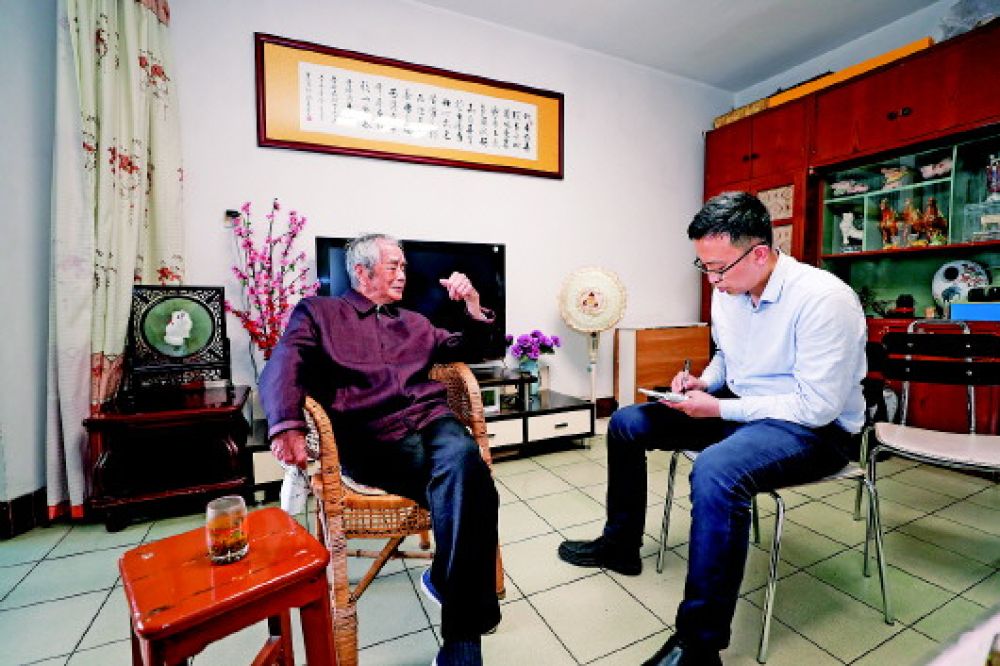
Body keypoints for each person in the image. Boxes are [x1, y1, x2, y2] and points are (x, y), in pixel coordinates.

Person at [558, 192, 867, 666]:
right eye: (704, 267)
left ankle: (699, 647)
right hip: (745, 410)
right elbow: (729, 357)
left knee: (717, 470)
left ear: (759, 253)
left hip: (816, 431)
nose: (713, 281)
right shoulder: (730, 292)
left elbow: (816, 406)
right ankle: (620, 545)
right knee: (626, 423)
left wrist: (718, 409)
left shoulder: (825, 299)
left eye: (719, 268)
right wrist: (704, 382)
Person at [260, 233, 501, 666]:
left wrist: (472, 304)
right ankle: (459, 603)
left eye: (404, 266)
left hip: (433, 421)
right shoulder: (319, 313)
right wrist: (286, 426)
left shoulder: (415, 322)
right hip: (372, 435)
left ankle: (459, 634)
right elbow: (284, 362)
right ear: (362, 271)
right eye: (394, 266)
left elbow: (469, 347)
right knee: (471, 484)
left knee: (465, 465)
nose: (403, 274)